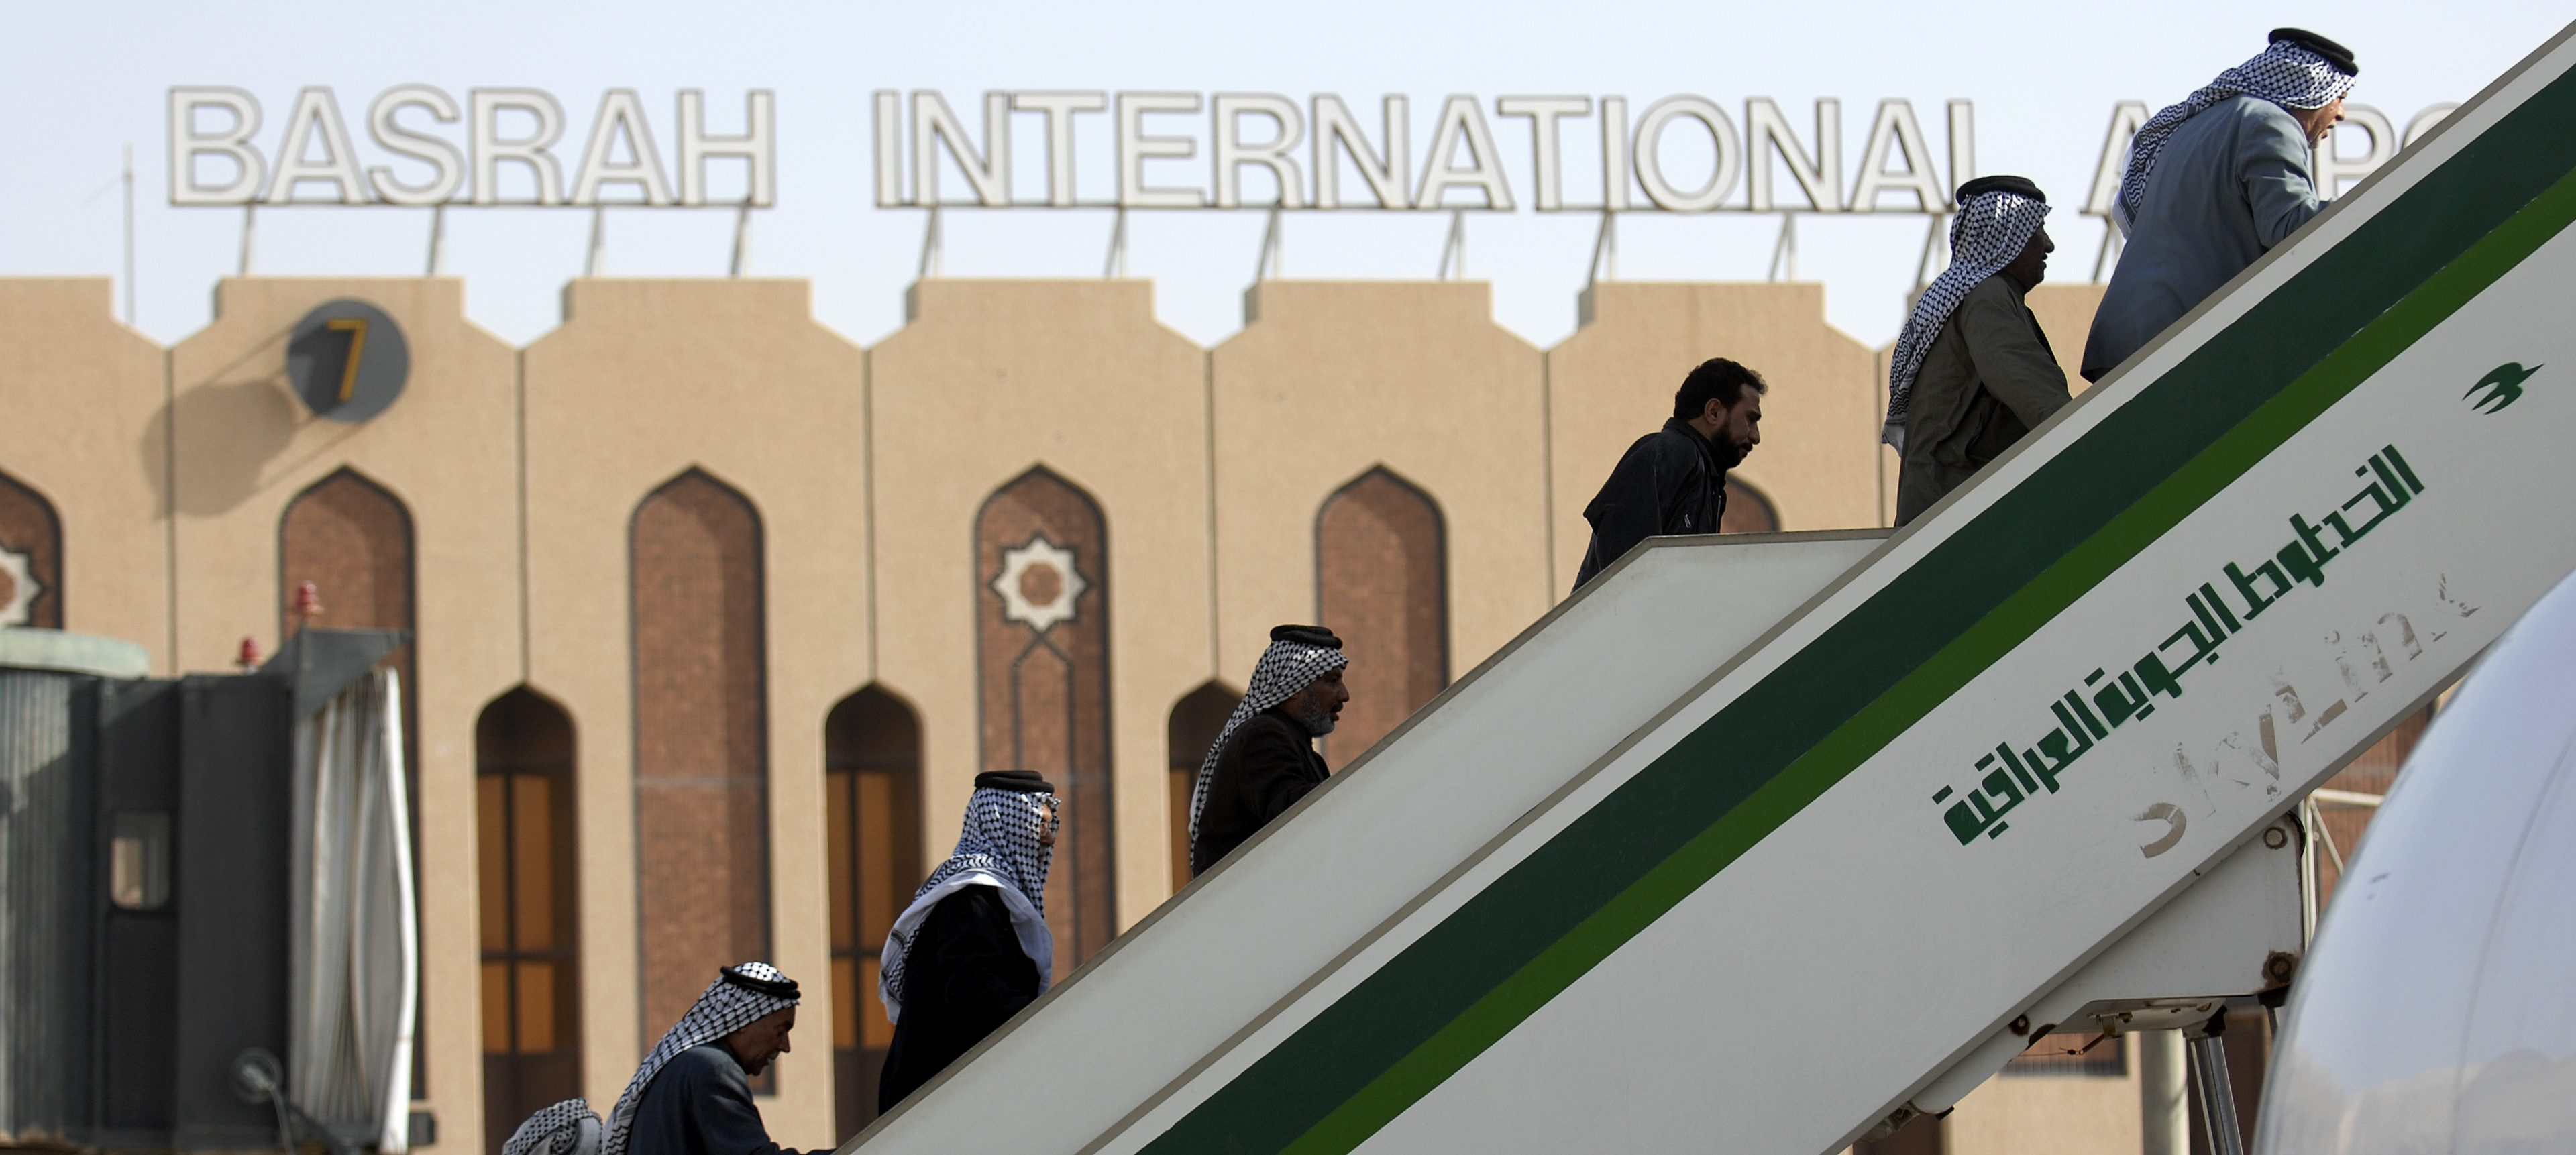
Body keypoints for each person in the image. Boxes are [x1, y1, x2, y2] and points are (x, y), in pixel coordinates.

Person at [2082, 29, 2359, 382]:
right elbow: (2290, 225)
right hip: (2182, 341)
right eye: (2338, 97)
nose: (2341, 114)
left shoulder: (2196, 126)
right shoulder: (2271, 122)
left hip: (2124, 337)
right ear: (2309, 88)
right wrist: (2379, 202)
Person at [1883, 176, 2071, 525]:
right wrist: (2091, 446)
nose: (2048, 245)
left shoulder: (1971, 296)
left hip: (1945, 507)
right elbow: (2031, 390)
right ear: (2007, 240)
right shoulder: (1988, 297)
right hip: (1959, 512)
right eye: (2037, 232)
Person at [877, 771, 1059, 1111]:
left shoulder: (990, 898)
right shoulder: (972, 897)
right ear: (1005, 823)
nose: (1049, 840)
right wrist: (1047, 1016)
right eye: (1042, 825)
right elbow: (970, 988)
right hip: (933, 1095)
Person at [1572, 359, 1766, 590]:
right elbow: (1626, 572)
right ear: (1714, 412)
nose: (1756, 437)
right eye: (1750, 419)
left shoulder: (1706, 479)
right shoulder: (1671, 453)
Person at [1187, 625, 1350, 876]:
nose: (1344, 694)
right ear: (1295, 687)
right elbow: (1295, 814)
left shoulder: (1299, 747)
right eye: (1332, 682)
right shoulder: (1263, 737)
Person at [608, 962, 811, 1155]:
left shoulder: (681, 1067)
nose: (785, 1046)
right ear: (742, 1020)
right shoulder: (714, 1069)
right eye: (780, 1031)